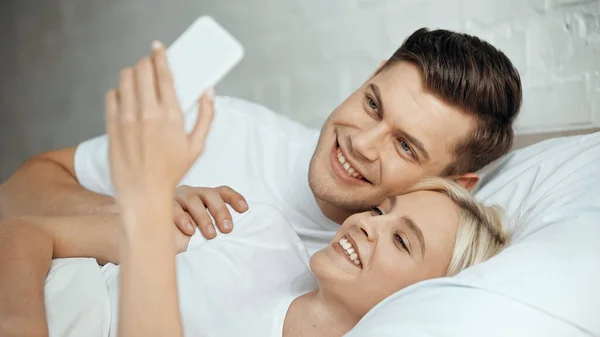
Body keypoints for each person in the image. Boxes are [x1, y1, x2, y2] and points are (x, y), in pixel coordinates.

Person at [0, 27, 522, 255]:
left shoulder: (375, 272)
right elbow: (22, 187)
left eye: (405, 146)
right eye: (372, 103)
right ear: (373, 74)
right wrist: (138, 204)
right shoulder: (225, 125)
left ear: (455, 183)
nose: (362, 143)